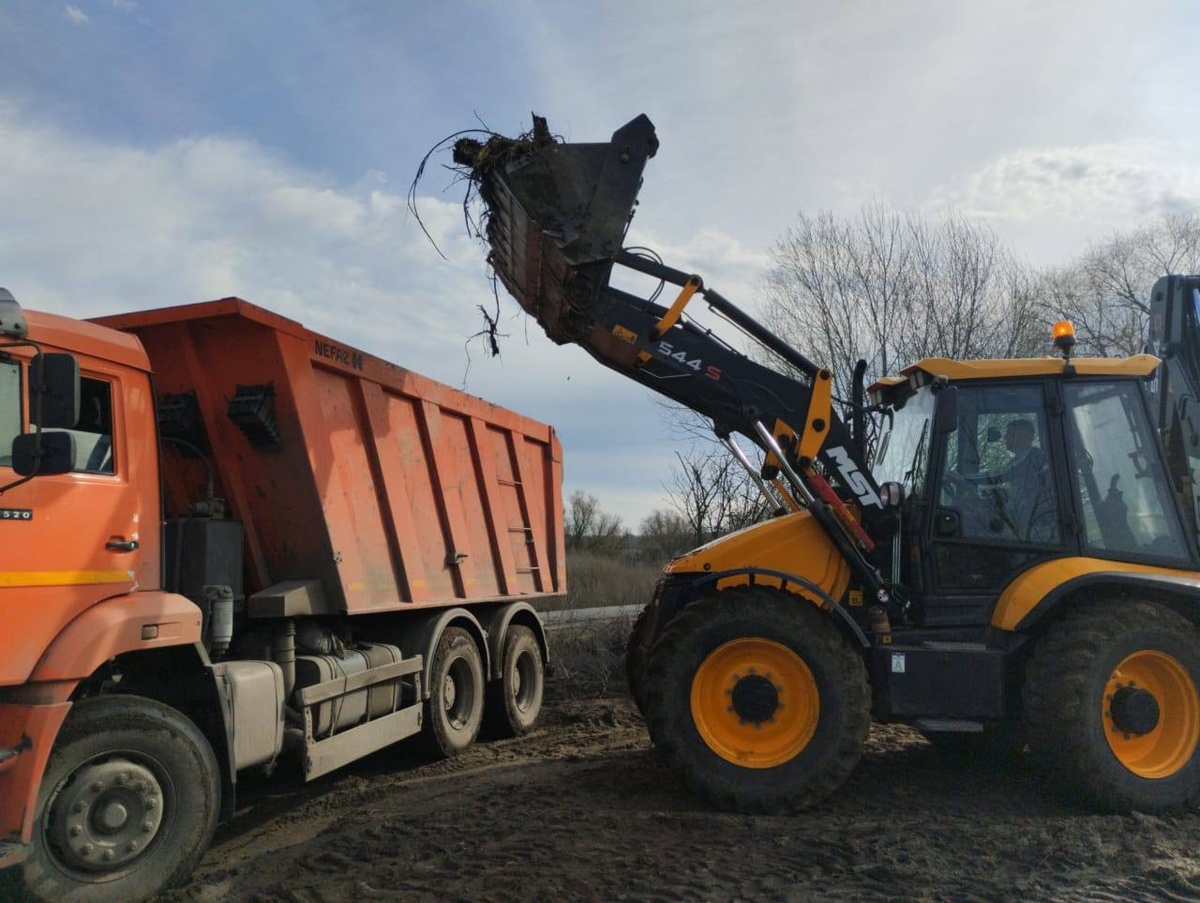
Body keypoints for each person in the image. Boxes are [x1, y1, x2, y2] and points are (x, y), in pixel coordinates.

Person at [946, 419, 1051, 539]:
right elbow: (999, 485)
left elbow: (999, 476)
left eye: (1010, 433)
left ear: (1027, 436)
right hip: (1020, 517)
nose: (1005, 437)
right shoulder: (1020, 459)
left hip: (1031, 524)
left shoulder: (1033, 457)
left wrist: (965, 479)